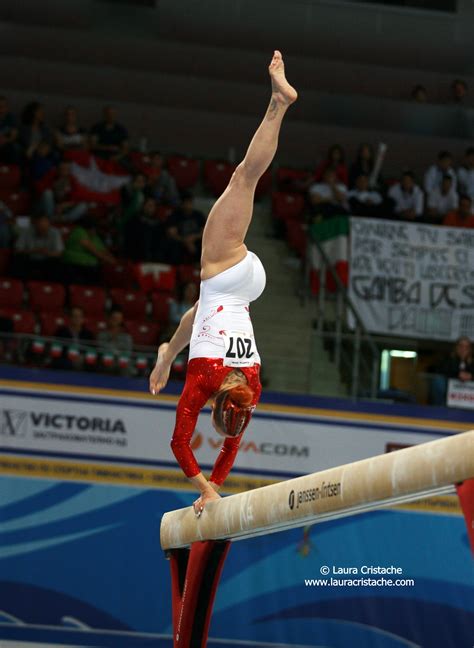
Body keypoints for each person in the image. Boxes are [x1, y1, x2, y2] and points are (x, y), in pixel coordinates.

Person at [149, 50, 297, 516]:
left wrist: (167, 354)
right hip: (227, 274)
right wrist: (206, 486)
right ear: (216, 407)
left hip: (243, 288)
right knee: (244, 178)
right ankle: (279, 104)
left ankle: (280, 102)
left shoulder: (251, 387)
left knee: (201, 307)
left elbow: (199, 317)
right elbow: (178, 443)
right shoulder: (203, 382)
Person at [62, 216, 116, 284]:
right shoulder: (79, 231)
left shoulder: (94, 237)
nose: (95, 231)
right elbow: (94, 251)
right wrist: (110, 260)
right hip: (75, 265)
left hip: (90, 266)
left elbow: (104, 251)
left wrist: (113, 260)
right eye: (94, 228)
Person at [13, 214, 63, 280]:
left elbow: (59, 253)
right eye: (39, 223)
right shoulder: (26, 231)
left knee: (57, 263)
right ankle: (19, 285)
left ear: (49, 224)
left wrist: (47, 253)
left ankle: (50, 287)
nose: (42, 226)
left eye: (44, 223)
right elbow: (17, 250)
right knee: (18, 259)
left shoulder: (55, 233)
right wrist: (34, 251)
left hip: (47, 260)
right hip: (29, 259)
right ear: (35, 224)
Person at [430, 337, 474, 405]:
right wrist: (458, 374)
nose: (463, 349)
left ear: (470, 349)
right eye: (461, 346)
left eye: (466, 347)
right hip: (449, 393)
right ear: (456, 347)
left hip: (469, 395)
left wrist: (471, 376)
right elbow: (441, 370)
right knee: (438, 381)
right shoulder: (448, 359)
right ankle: (438, 409)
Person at [166, 193, 206, 264]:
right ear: (182, 203)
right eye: (185, 203)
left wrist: (194, 237)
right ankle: (176, 267)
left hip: (195, 241)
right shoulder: (175, 215)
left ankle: (200, 266)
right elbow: (172, 233)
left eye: (189, 203)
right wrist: (185, 241)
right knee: (173, 245)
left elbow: (204, 232)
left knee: (204, 245)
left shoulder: (198, 215)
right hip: (180, 241)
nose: (188, 205)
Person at [52, 306, 94, 371]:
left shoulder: (88, 334)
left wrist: (82, 357)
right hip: (66, 361)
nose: (77, 319)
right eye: (74, 316)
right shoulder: (61, 332)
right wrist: (70, 357)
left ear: (83, 319)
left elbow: (92, 351)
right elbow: (56, 350)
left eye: (79, 316)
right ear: (70, 318)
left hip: (83, 361)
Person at [0, 96, 19, 164]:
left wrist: (5, 140)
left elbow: (13, 136)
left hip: (7, 144)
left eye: (3, 106)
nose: (1, 109)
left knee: (13, 148)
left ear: (7, 108)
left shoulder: (11, 118)